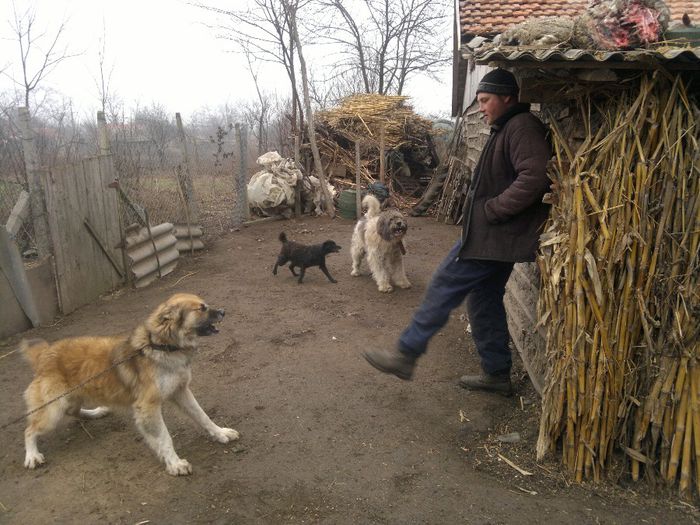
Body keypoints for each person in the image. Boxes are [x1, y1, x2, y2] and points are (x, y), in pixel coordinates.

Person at [362, 68, 551, 395]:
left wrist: (493, 209)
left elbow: (535, 176)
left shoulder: (520, 127)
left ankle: (406, 354)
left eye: (485, 100)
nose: (481, 108)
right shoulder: (507, 126)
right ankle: (497, 373)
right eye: (478, 102)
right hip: (494, 238)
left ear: (507, 97)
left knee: (443, 284)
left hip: (492, 238)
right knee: (483, 301)